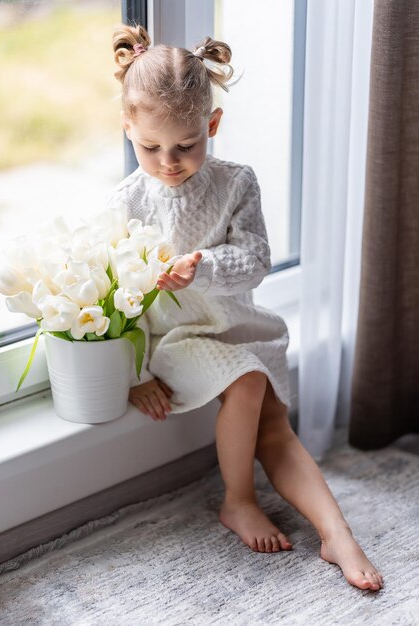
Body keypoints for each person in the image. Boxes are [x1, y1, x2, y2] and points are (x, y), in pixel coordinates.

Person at [108, 23, 384, 592]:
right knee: (251, 384)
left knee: (276, 429)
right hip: (178, 341)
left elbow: (256, 260)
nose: (168, 161)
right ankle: (238, 500)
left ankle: (337, 533)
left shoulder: (236, 183)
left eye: (186, 144)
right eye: (150, 146)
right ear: (128, 127)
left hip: (237, 325)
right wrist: (133, 376)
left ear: (211, 125)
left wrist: (202, 266)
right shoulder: (127, 202)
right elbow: (117, 299)